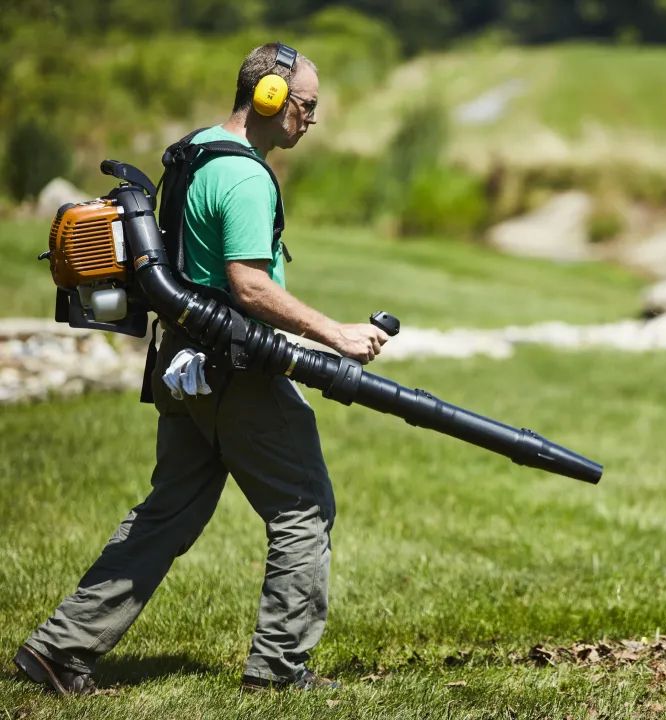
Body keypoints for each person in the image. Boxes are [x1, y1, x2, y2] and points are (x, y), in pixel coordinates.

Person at [13, 42, 388, 694]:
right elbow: (248, 286)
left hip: (180, 366)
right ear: (271, 97)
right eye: (307, 104)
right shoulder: (244, 176)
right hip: (234, 371)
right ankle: (278, 670)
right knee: (304, 509)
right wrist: (336, 334)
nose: (311, 118)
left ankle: (59, 649)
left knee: (169, 513)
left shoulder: (194, 151)